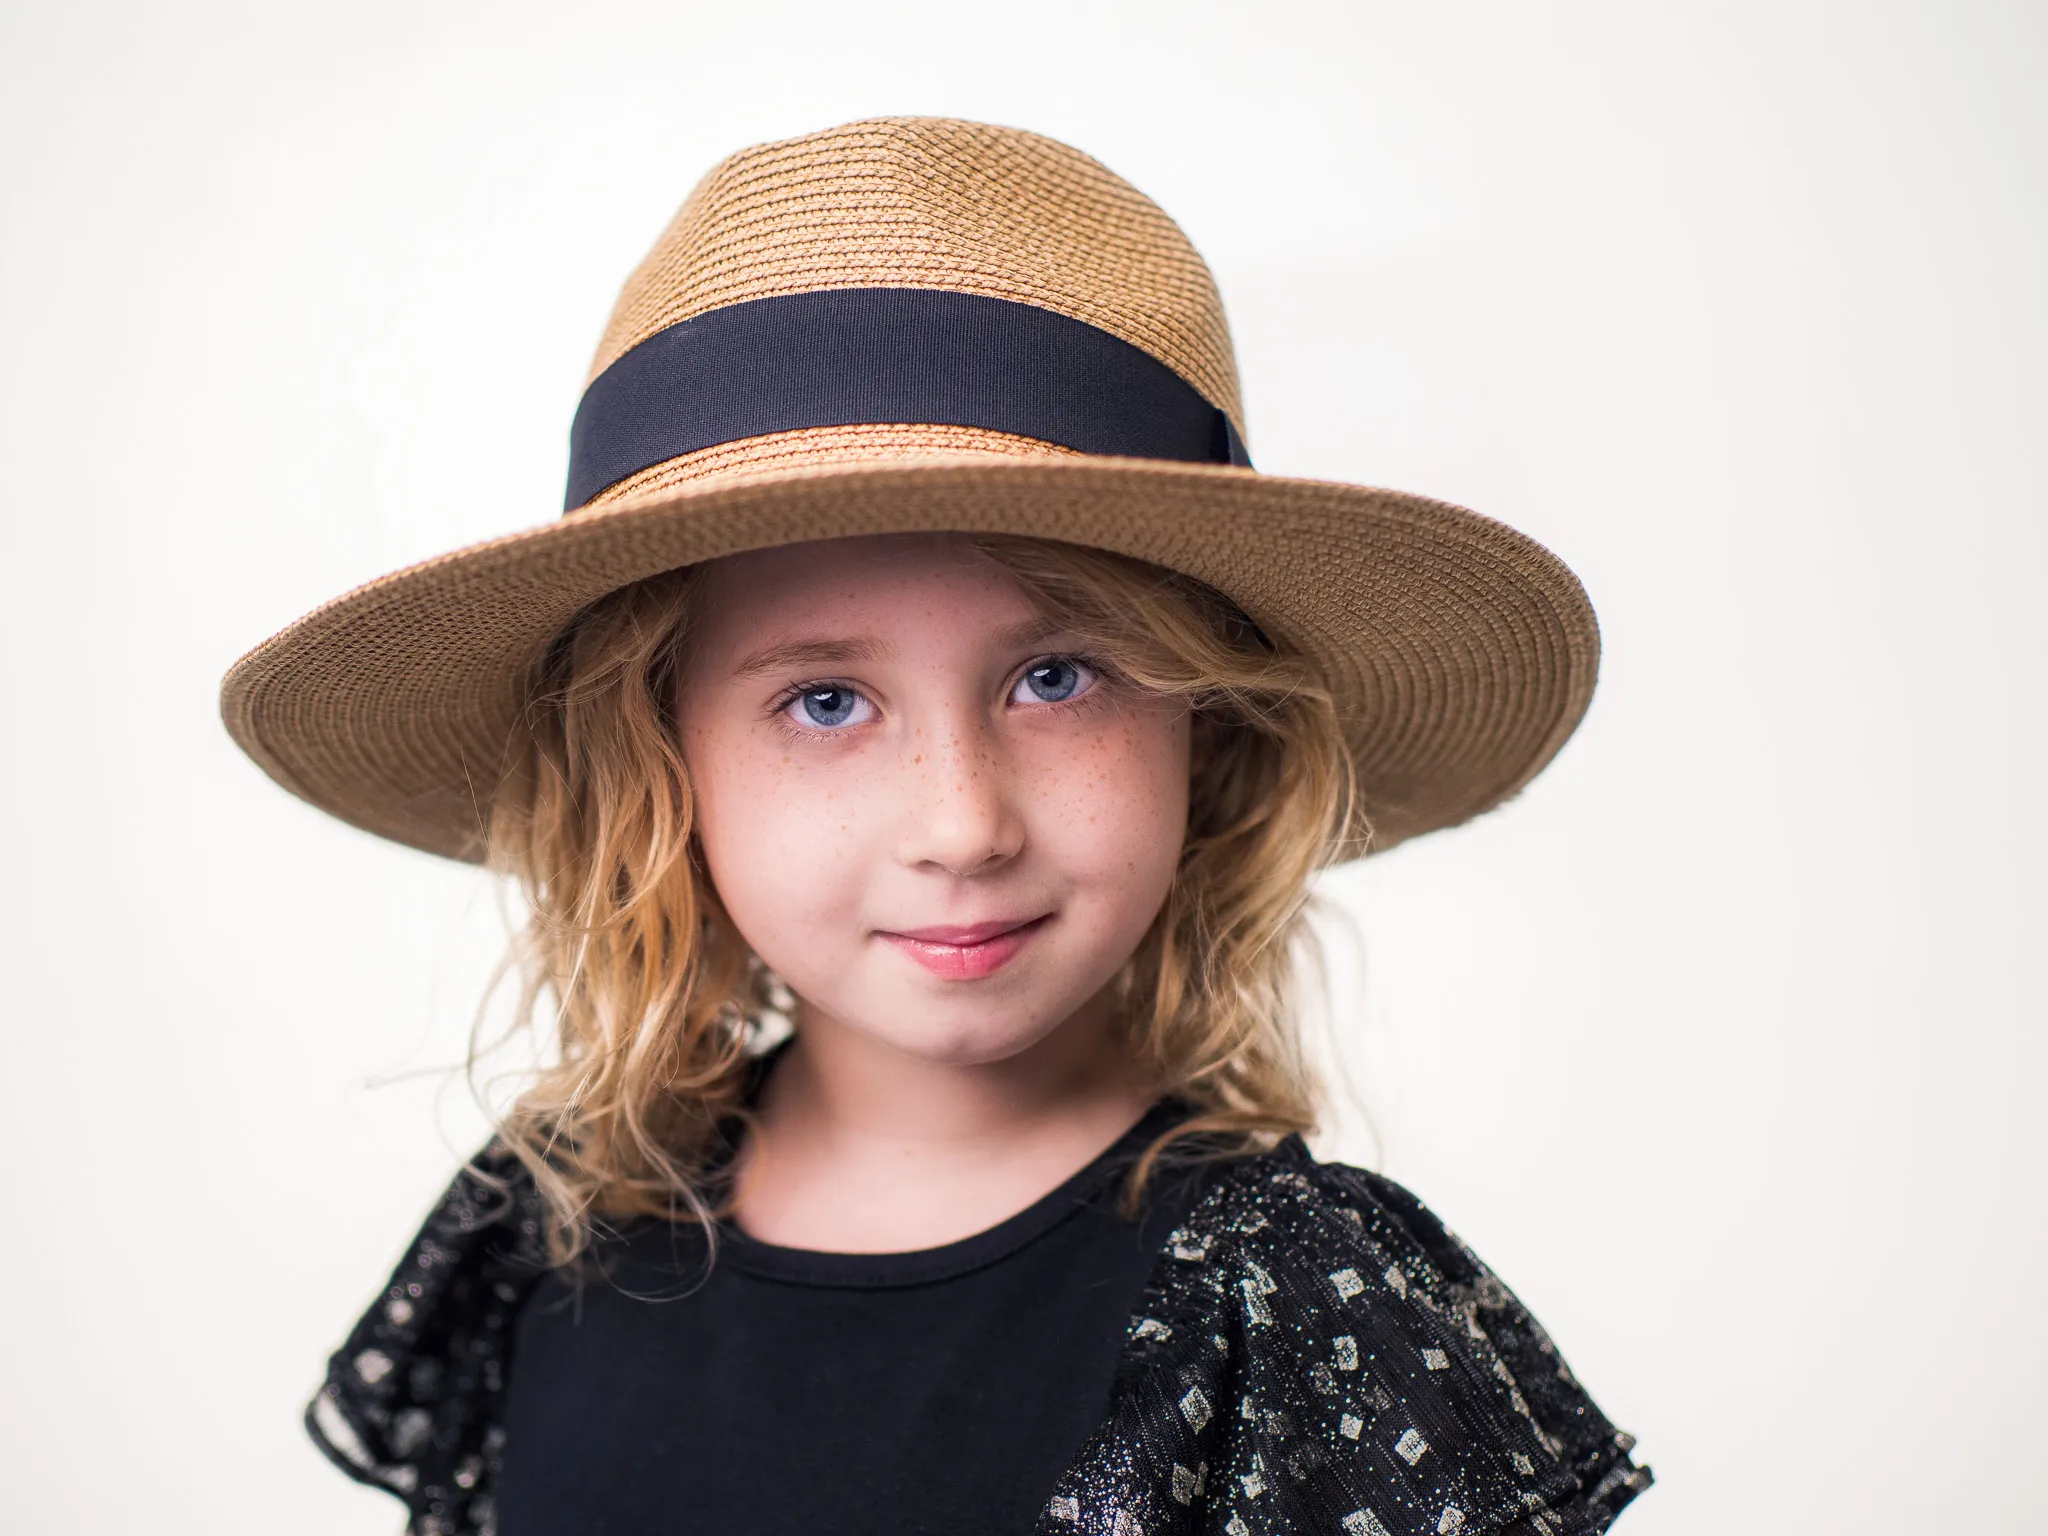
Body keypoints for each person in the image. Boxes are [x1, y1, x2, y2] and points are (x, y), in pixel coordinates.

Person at [222, 117, 1651, 1536]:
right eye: (828, 701)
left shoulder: (1281, 1308)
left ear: (1208, 725)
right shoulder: (551, 1225)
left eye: (1056, 677)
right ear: (657, 762)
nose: (963, 826)